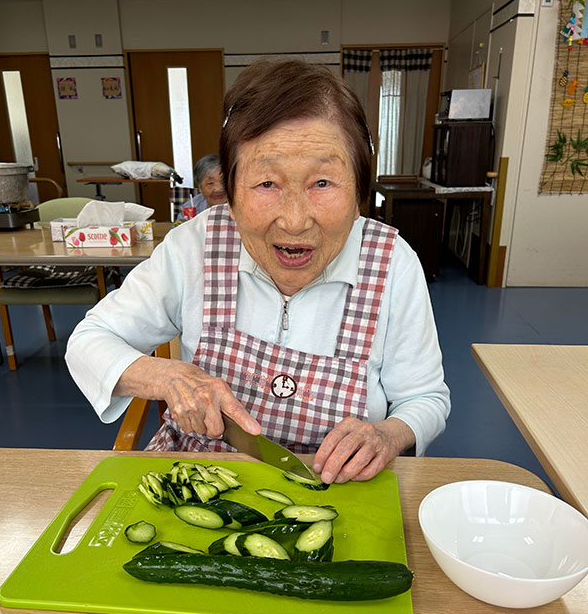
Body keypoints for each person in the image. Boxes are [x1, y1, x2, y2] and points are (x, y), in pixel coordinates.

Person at [66, 59, 450, 485]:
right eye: (266, 184)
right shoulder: (195, 245)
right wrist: (168, 376)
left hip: (337, 488)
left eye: (322, 183)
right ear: (227, 191)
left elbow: (425, 398)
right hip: (199, 478)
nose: (295, 221)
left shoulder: (392, 262)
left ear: (361, 188)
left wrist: (386, 435)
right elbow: (88, 340)